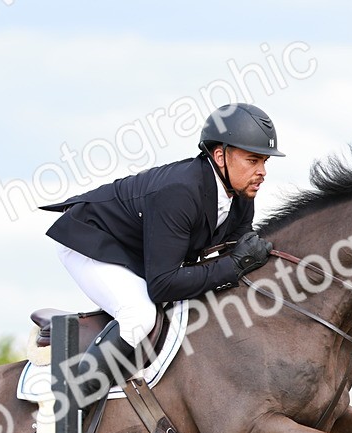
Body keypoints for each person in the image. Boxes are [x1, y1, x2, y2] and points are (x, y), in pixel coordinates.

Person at [42, 102, 284, 408]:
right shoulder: (180, 192)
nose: (261, 172)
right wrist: (235, 265)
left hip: (137, 250)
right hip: (91, 239)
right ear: (220, 155)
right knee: (139, 315)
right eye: (253, 160)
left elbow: (233, 255)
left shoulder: (239, 194)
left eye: (264, 162)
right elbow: (163, 284)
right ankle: (66, 412)